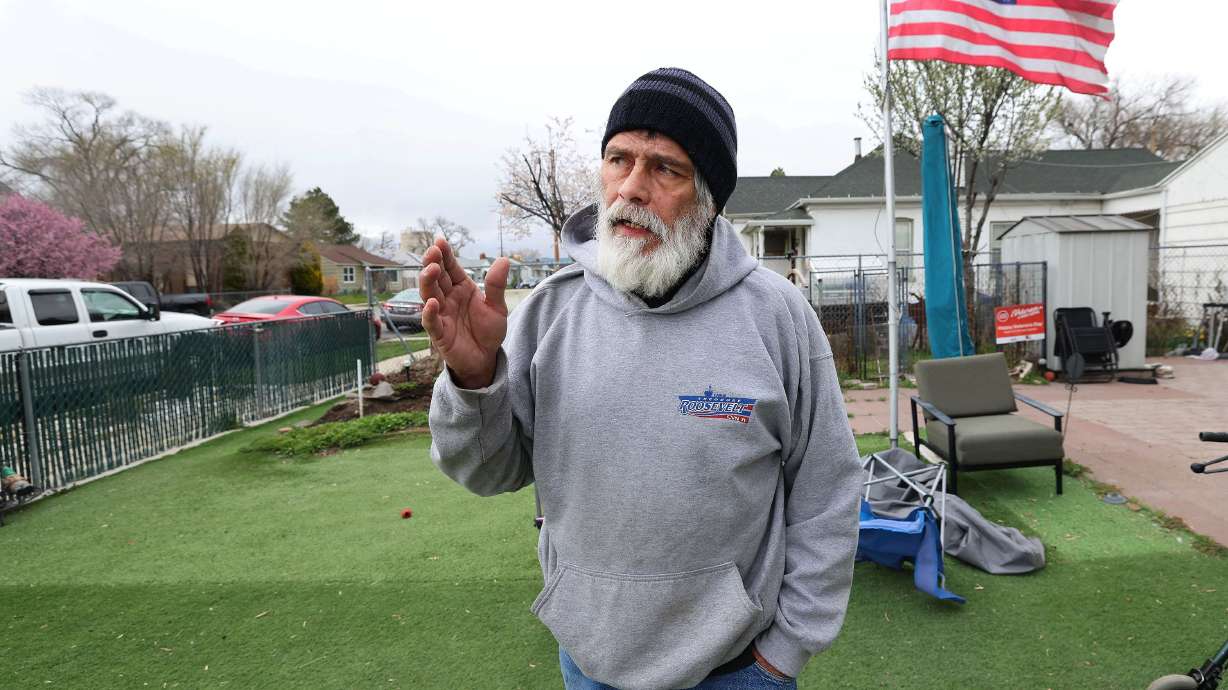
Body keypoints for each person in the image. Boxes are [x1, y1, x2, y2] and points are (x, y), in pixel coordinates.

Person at [422, 67, 862, 690]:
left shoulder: (776, 317)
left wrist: (784, 653)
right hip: (590, 663)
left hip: (739, 670)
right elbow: (487, 471)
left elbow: (828, 491)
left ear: (708, 196)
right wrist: (473, 378)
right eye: (618, 160)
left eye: (665, 168)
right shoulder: (551, 311)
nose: (631, 188)